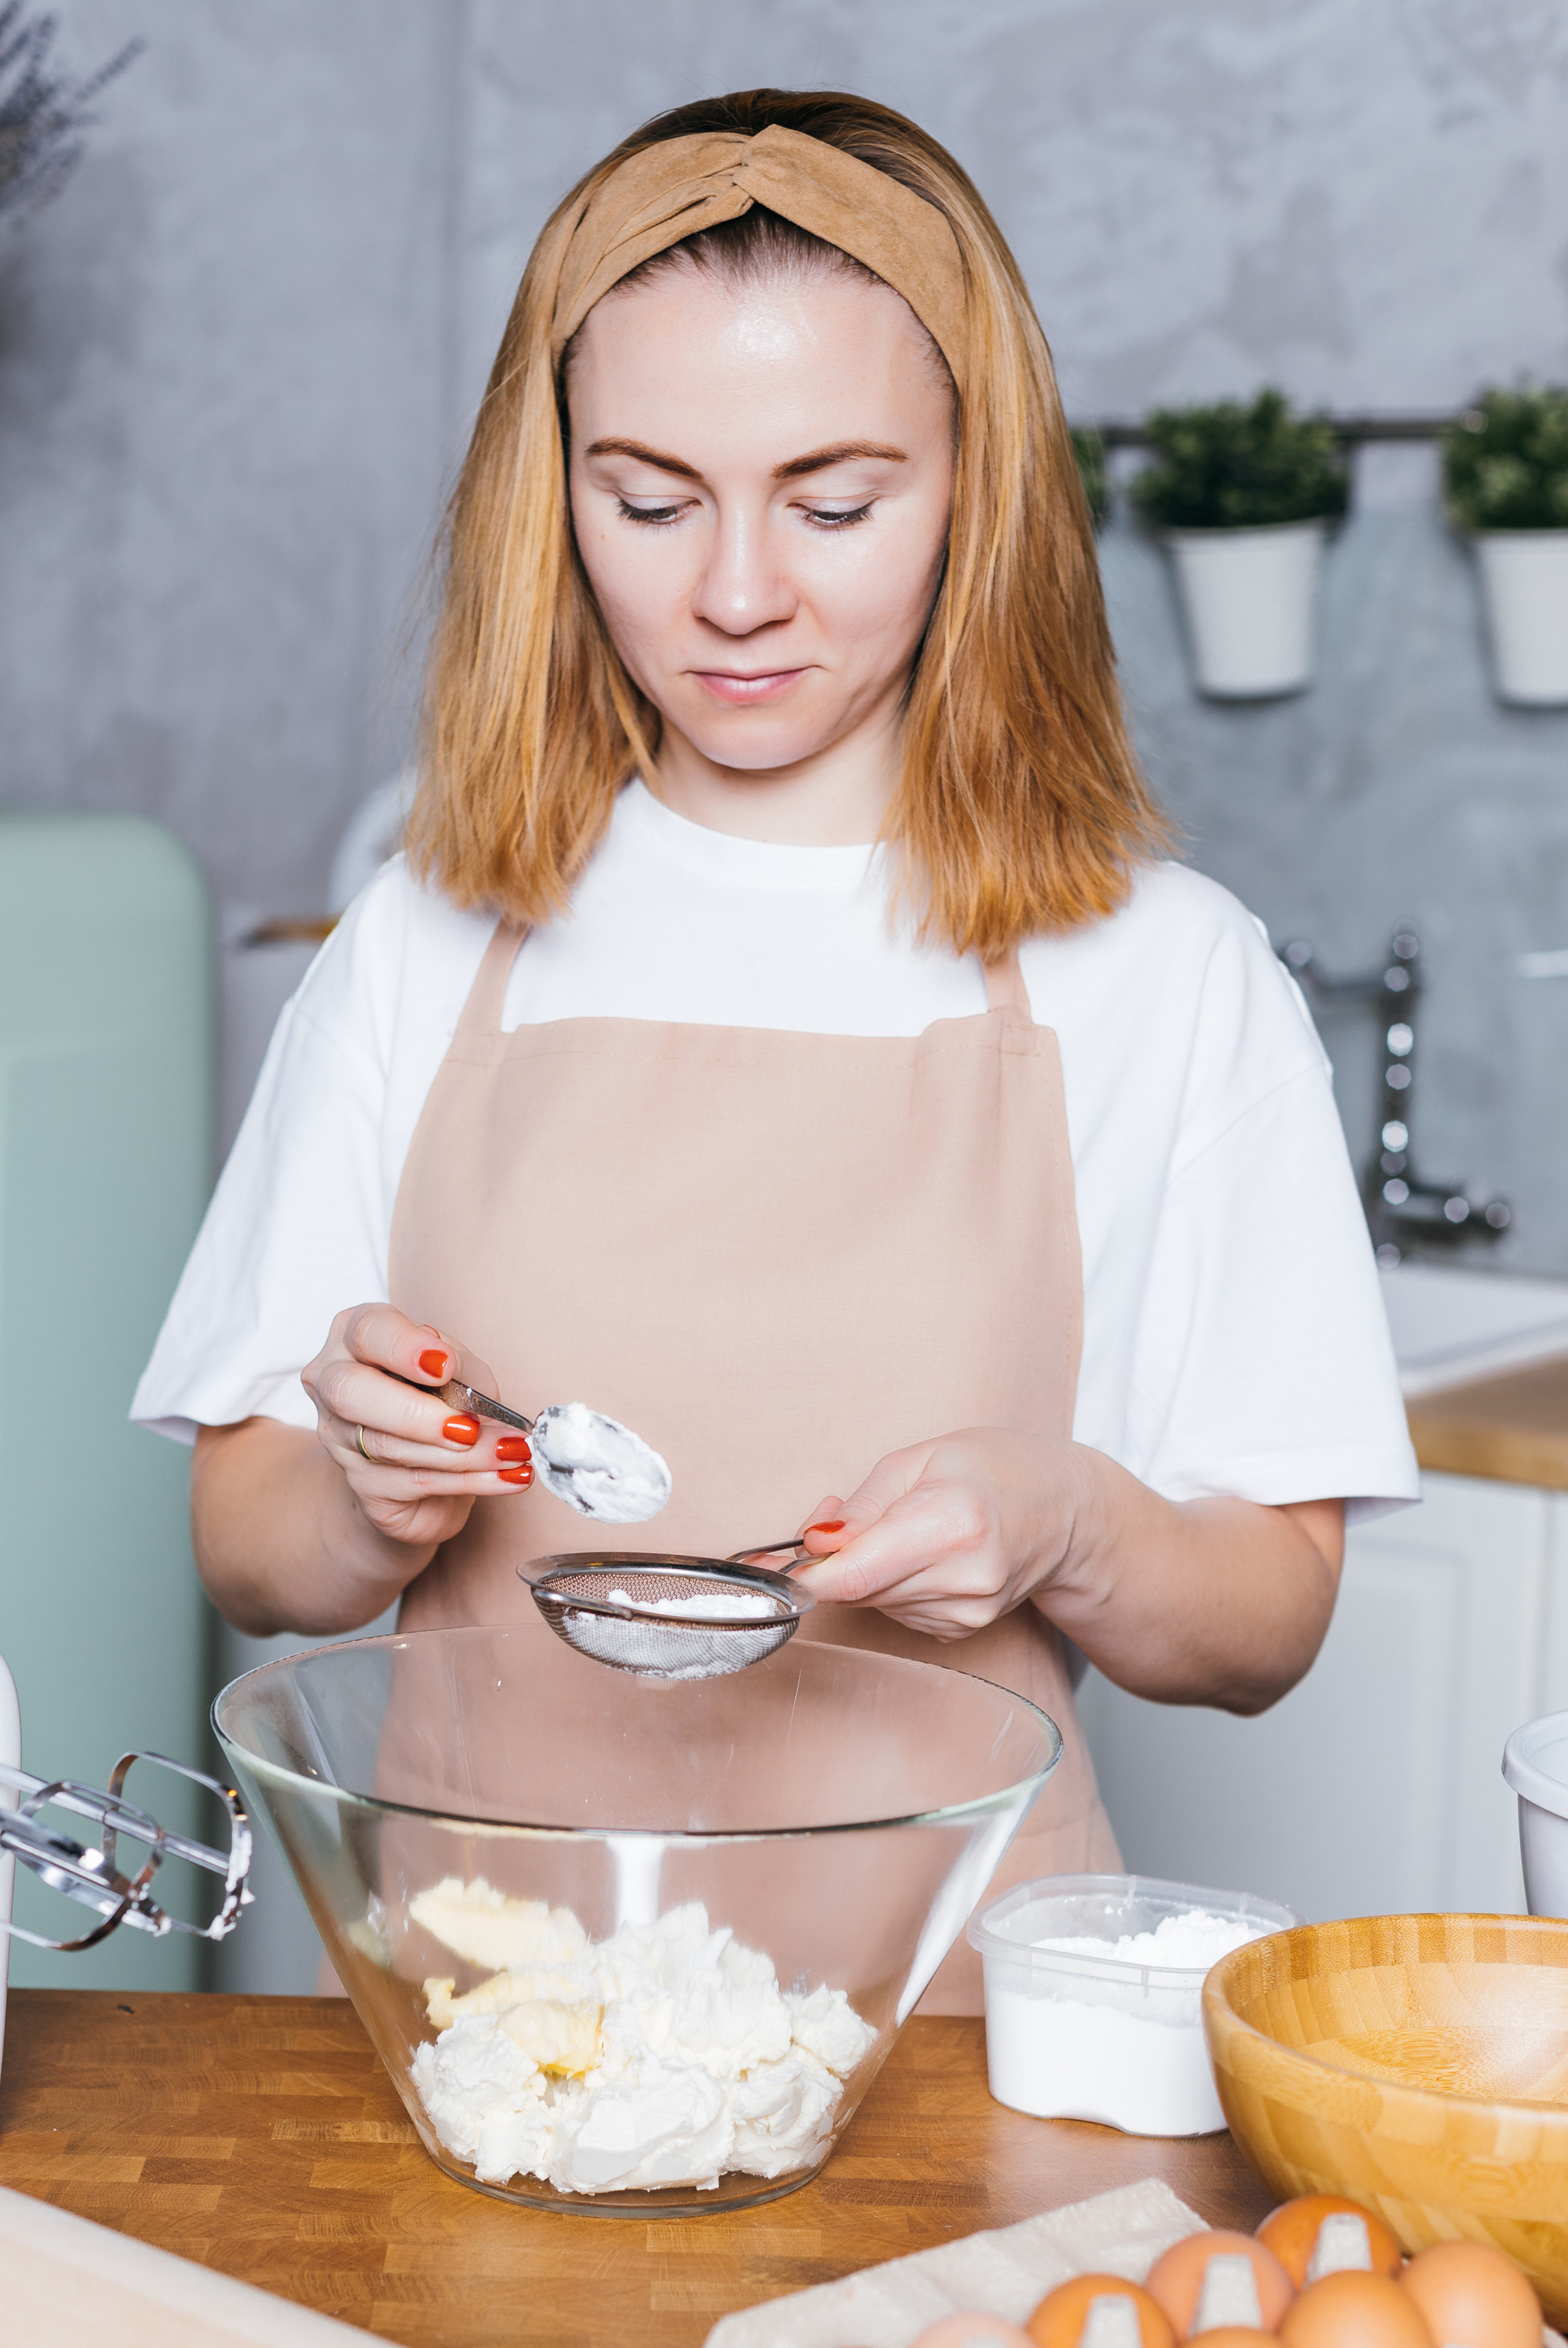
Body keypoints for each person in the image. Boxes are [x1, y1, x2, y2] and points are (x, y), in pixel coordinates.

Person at [133, 90, 1416, 2008]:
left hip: (956, 2048)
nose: (736, 591)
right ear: (548, 494)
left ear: (975, 489)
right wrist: (362, 1486)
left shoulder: (1161, 973)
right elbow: (251, 1548)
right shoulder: (427, 935)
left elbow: (1264, 1627)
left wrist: (1066, 1517)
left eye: (833, 501)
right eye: (648, 499)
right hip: (487, 2027)